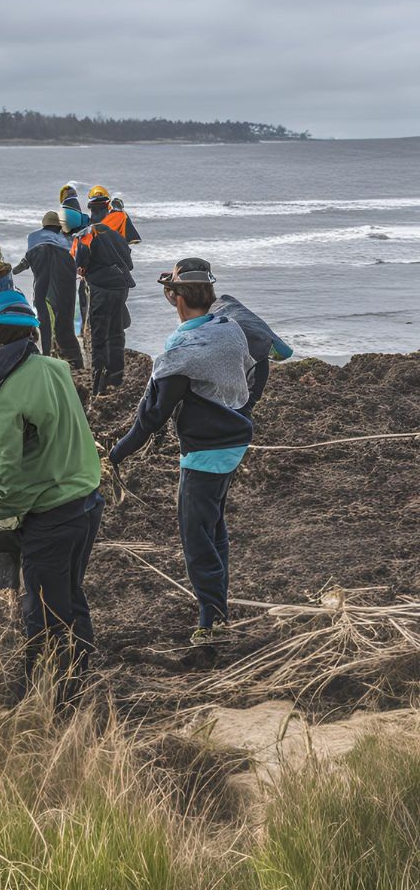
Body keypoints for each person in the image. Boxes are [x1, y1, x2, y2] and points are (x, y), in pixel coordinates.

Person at [0, 283, 103, 706]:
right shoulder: (55, 368)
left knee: (43, 613)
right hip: (87, 502)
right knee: (72, 595)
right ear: (32, 334)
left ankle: (51, 697)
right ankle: (79, 678)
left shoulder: (4, 397)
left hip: (51, 516)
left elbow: (11, 482)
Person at [108, 259, 253, 644]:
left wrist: (117, 454)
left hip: (204, 454)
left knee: (197, 539)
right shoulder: (229, 328)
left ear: (176, 298)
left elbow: (153, 416)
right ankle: (218, 605)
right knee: (213, 526)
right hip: (235, 442)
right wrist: (241, 409)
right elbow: (257, 364)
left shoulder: (184, 351)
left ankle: (211, 624)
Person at [69, 215, 135, 394]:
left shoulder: (86, 236)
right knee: (116, 329)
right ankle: (117, 375)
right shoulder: (116, 236)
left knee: (99, 333)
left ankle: (98, 381)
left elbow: (80, 267)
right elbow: (129, 264)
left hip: (102, 288)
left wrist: (85, 270)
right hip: (122, 286)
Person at [206, 279, 293, 415]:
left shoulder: (212, 318)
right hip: (256, 349)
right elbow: (284, 353)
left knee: (240, 409)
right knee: (243, 408)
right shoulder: (227, 303)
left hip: (250, 354)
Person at [12, 211, 83, 368]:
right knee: (65, 322)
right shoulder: (67, 240)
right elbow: (78, 262)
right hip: (65, 282)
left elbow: (22, 264)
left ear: (44, 225)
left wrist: (8, 273)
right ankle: (74, 361)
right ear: (58, 227)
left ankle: (46, 357)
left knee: (44, 321)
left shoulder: (33, 238)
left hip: (42, 287)